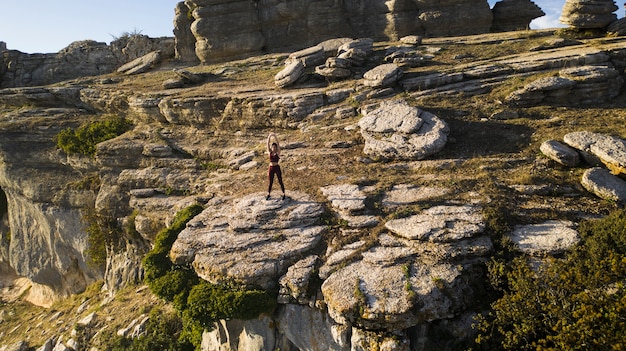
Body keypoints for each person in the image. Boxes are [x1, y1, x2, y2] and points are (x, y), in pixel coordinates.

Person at [266, 132, 285, 200]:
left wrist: (275, 136)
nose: (273, 148)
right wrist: (269, 136)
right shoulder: (269, 153)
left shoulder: (278, 153)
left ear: (276, 148)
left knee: (280, 180)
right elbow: (267, 144)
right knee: (270, 181)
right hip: (271, 168)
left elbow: (278, 144)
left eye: (275, 147)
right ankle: (268, 194)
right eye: (272, 147)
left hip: (277, 167)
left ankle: (283, 193)